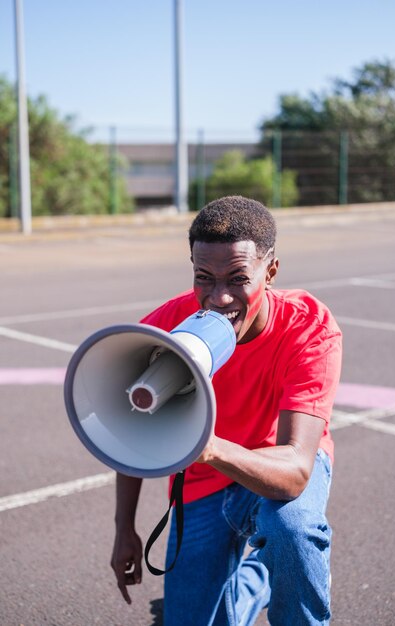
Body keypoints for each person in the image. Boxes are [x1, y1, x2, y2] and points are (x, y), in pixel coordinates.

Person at [111, 195, 342, 626]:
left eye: (238, 279)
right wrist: (124, 528)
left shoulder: (308, 326)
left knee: (292, 530)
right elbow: (131, 428)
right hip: (202, 481)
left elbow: (295, 471)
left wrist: (211, 448)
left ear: (270, 271)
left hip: (275, 461)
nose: (219, 298)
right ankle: (259, 577)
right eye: (204, 278)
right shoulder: (164, 328)